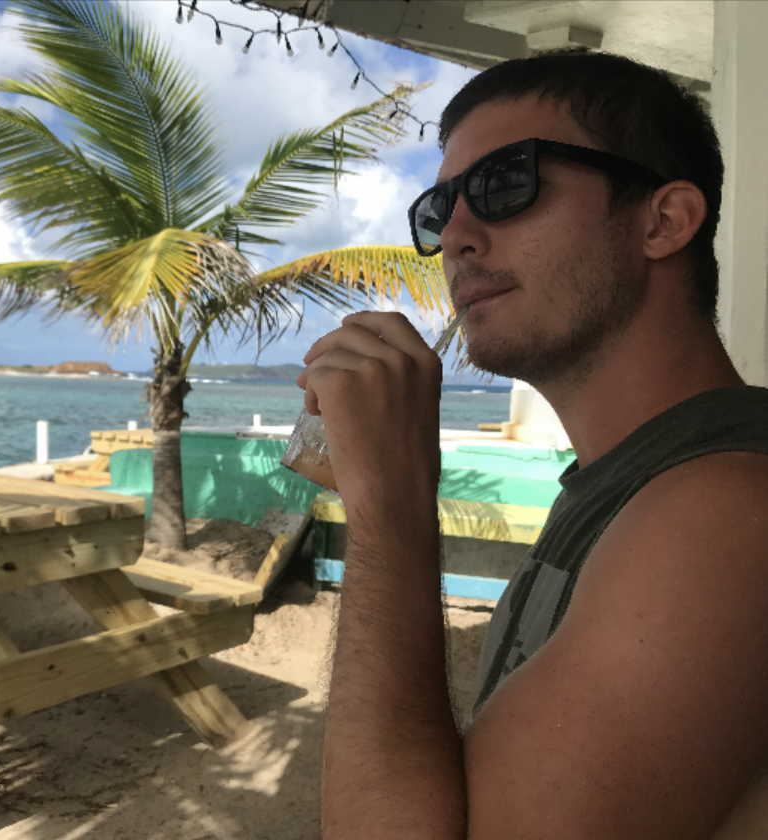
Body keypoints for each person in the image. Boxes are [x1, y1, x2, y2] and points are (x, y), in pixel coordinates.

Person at [300, 51, 768, 840]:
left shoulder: (723, 510)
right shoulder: (628, 483)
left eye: (504, 183)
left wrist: (389, 507)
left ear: (662, 221)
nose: (454, 237)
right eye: (438, 208)